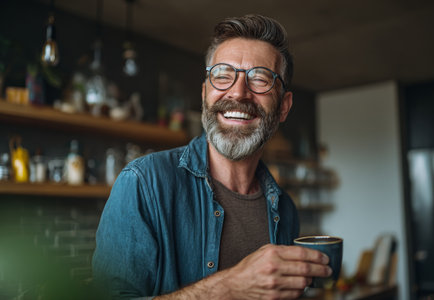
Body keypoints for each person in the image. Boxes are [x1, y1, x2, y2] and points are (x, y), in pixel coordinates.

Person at [92, 14, 331, 299]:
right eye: (222, 76)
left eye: (260, 78)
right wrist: (228, 287)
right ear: (206, 92)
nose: (239, 93)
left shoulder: (285, 208)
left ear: (283, 107)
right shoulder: (143, 184)